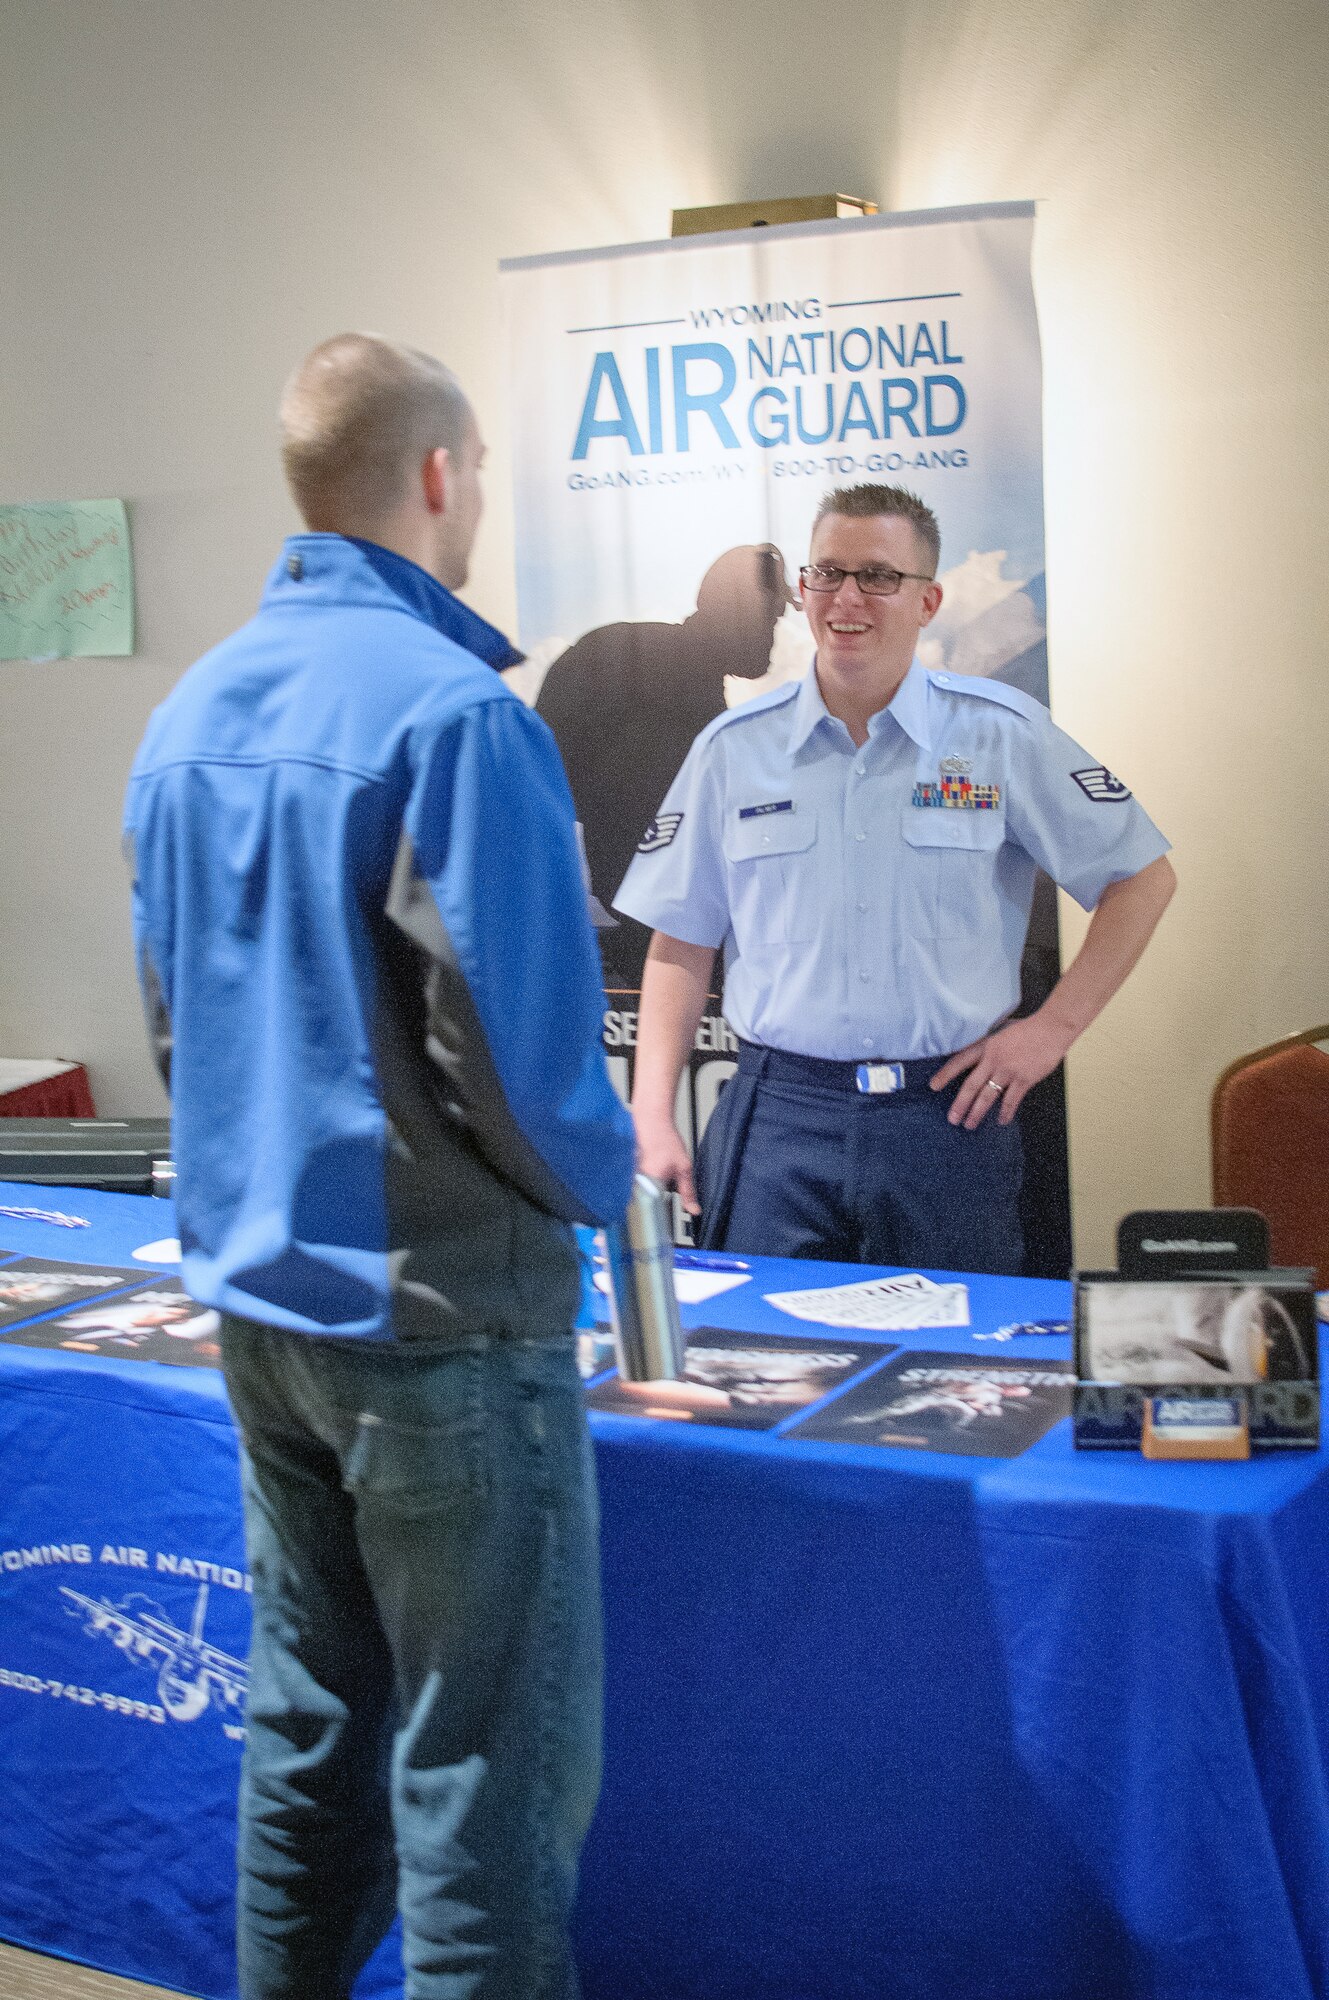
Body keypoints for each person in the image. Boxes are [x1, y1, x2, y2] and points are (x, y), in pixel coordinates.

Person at [124, 333, 636, 2000]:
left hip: (264, 1319)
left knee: (308, 1731)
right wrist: (602, 1187)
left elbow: (175, 1029)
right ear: (435, 477)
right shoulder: (451, 716)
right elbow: (527, 1064)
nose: (479, 501)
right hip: (444, 1329)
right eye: (479, 473)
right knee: (482, 1783)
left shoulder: (185, 713)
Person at [615, 482, 1175, 1274]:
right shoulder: (732, 750)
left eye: (878, 576)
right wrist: (651, 1111)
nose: (848, 598)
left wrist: (1051, 1031)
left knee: (955, 1374)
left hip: (942, 1120)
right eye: (828, 574)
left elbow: (1141, 879)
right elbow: (680, 942)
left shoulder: (998, 737)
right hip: (778, 1118)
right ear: (804, 589)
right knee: (763, 1368)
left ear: (928, 600)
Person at [536, 543, 794, 986]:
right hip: (653, 938)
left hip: (623, 921)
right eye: (771, 616)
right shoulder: (649, 677)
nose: (777, 631)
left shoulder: (619, 651)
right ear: (742, 613)